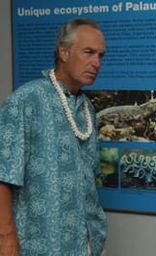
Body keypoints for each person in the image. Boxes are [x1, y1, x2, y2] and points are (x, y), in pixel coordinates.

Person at [0, 18, 107, 255]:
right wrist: (5, 238)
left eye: (101, 56)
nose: (96, 63)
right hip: (41, 246)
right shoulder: (26, 100)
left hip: (86, 243)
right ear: (64, 52)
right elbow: (2, 174)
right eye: (88, 52)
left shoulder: (87, 109)